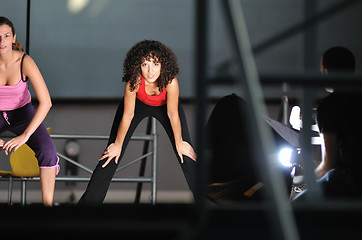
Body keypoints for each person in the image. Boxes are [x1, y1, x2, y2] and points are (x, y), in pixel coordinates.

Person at [78, 40, 197, 205]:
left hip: (166, 108)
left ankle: (210, 208)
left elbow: (172, 113)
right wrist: (118, 144)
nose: (150, 71)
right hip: (135, 106)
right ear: (137, 66)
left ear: (163, 65)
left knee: (186, 153)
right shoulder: (133, 82)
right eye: (145, 64)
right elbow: (128, 115)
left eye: (155, 64)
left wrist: (179, 141)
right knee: (111, 154)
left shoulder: (171, 82)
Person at [0, 16, 59, 206]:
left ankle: (48, 209)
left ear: (13, 38)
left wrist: (25, 136)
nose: (2, 42)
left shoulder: (25, 61)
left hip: (22, 113)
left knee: (48, 151)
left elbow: (46, 102)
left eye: (6, 36)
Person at [294, 46, 362, 200]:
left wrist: (305, 182)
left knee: (295, 205)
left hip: (352, 179)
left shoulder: (329, 106)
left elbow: (329, 164)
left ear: (325, 70)